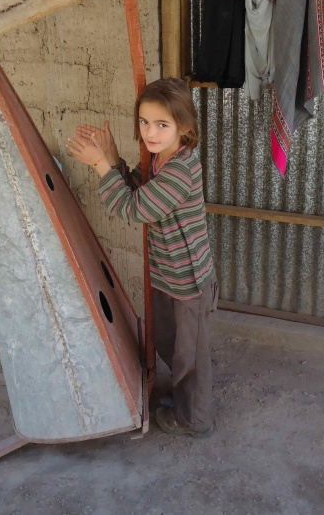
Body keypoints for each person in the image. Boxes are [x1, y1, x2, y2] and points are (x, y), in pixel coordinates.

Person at [66, 78, 218, 438]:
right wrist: (115, 160)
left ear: (185, 128)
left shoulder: (181, 169)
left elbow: (135, 208)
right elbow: (137, 185)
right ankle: (186, 393)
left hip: (190, 282)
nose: (150, 132)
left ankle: (193, 420)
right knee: (169, 341)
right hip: (168, 274)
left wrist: (101, 165)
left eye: (162, 125)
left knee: (190, 359)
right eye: (144, 122)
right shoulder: (158, 158)